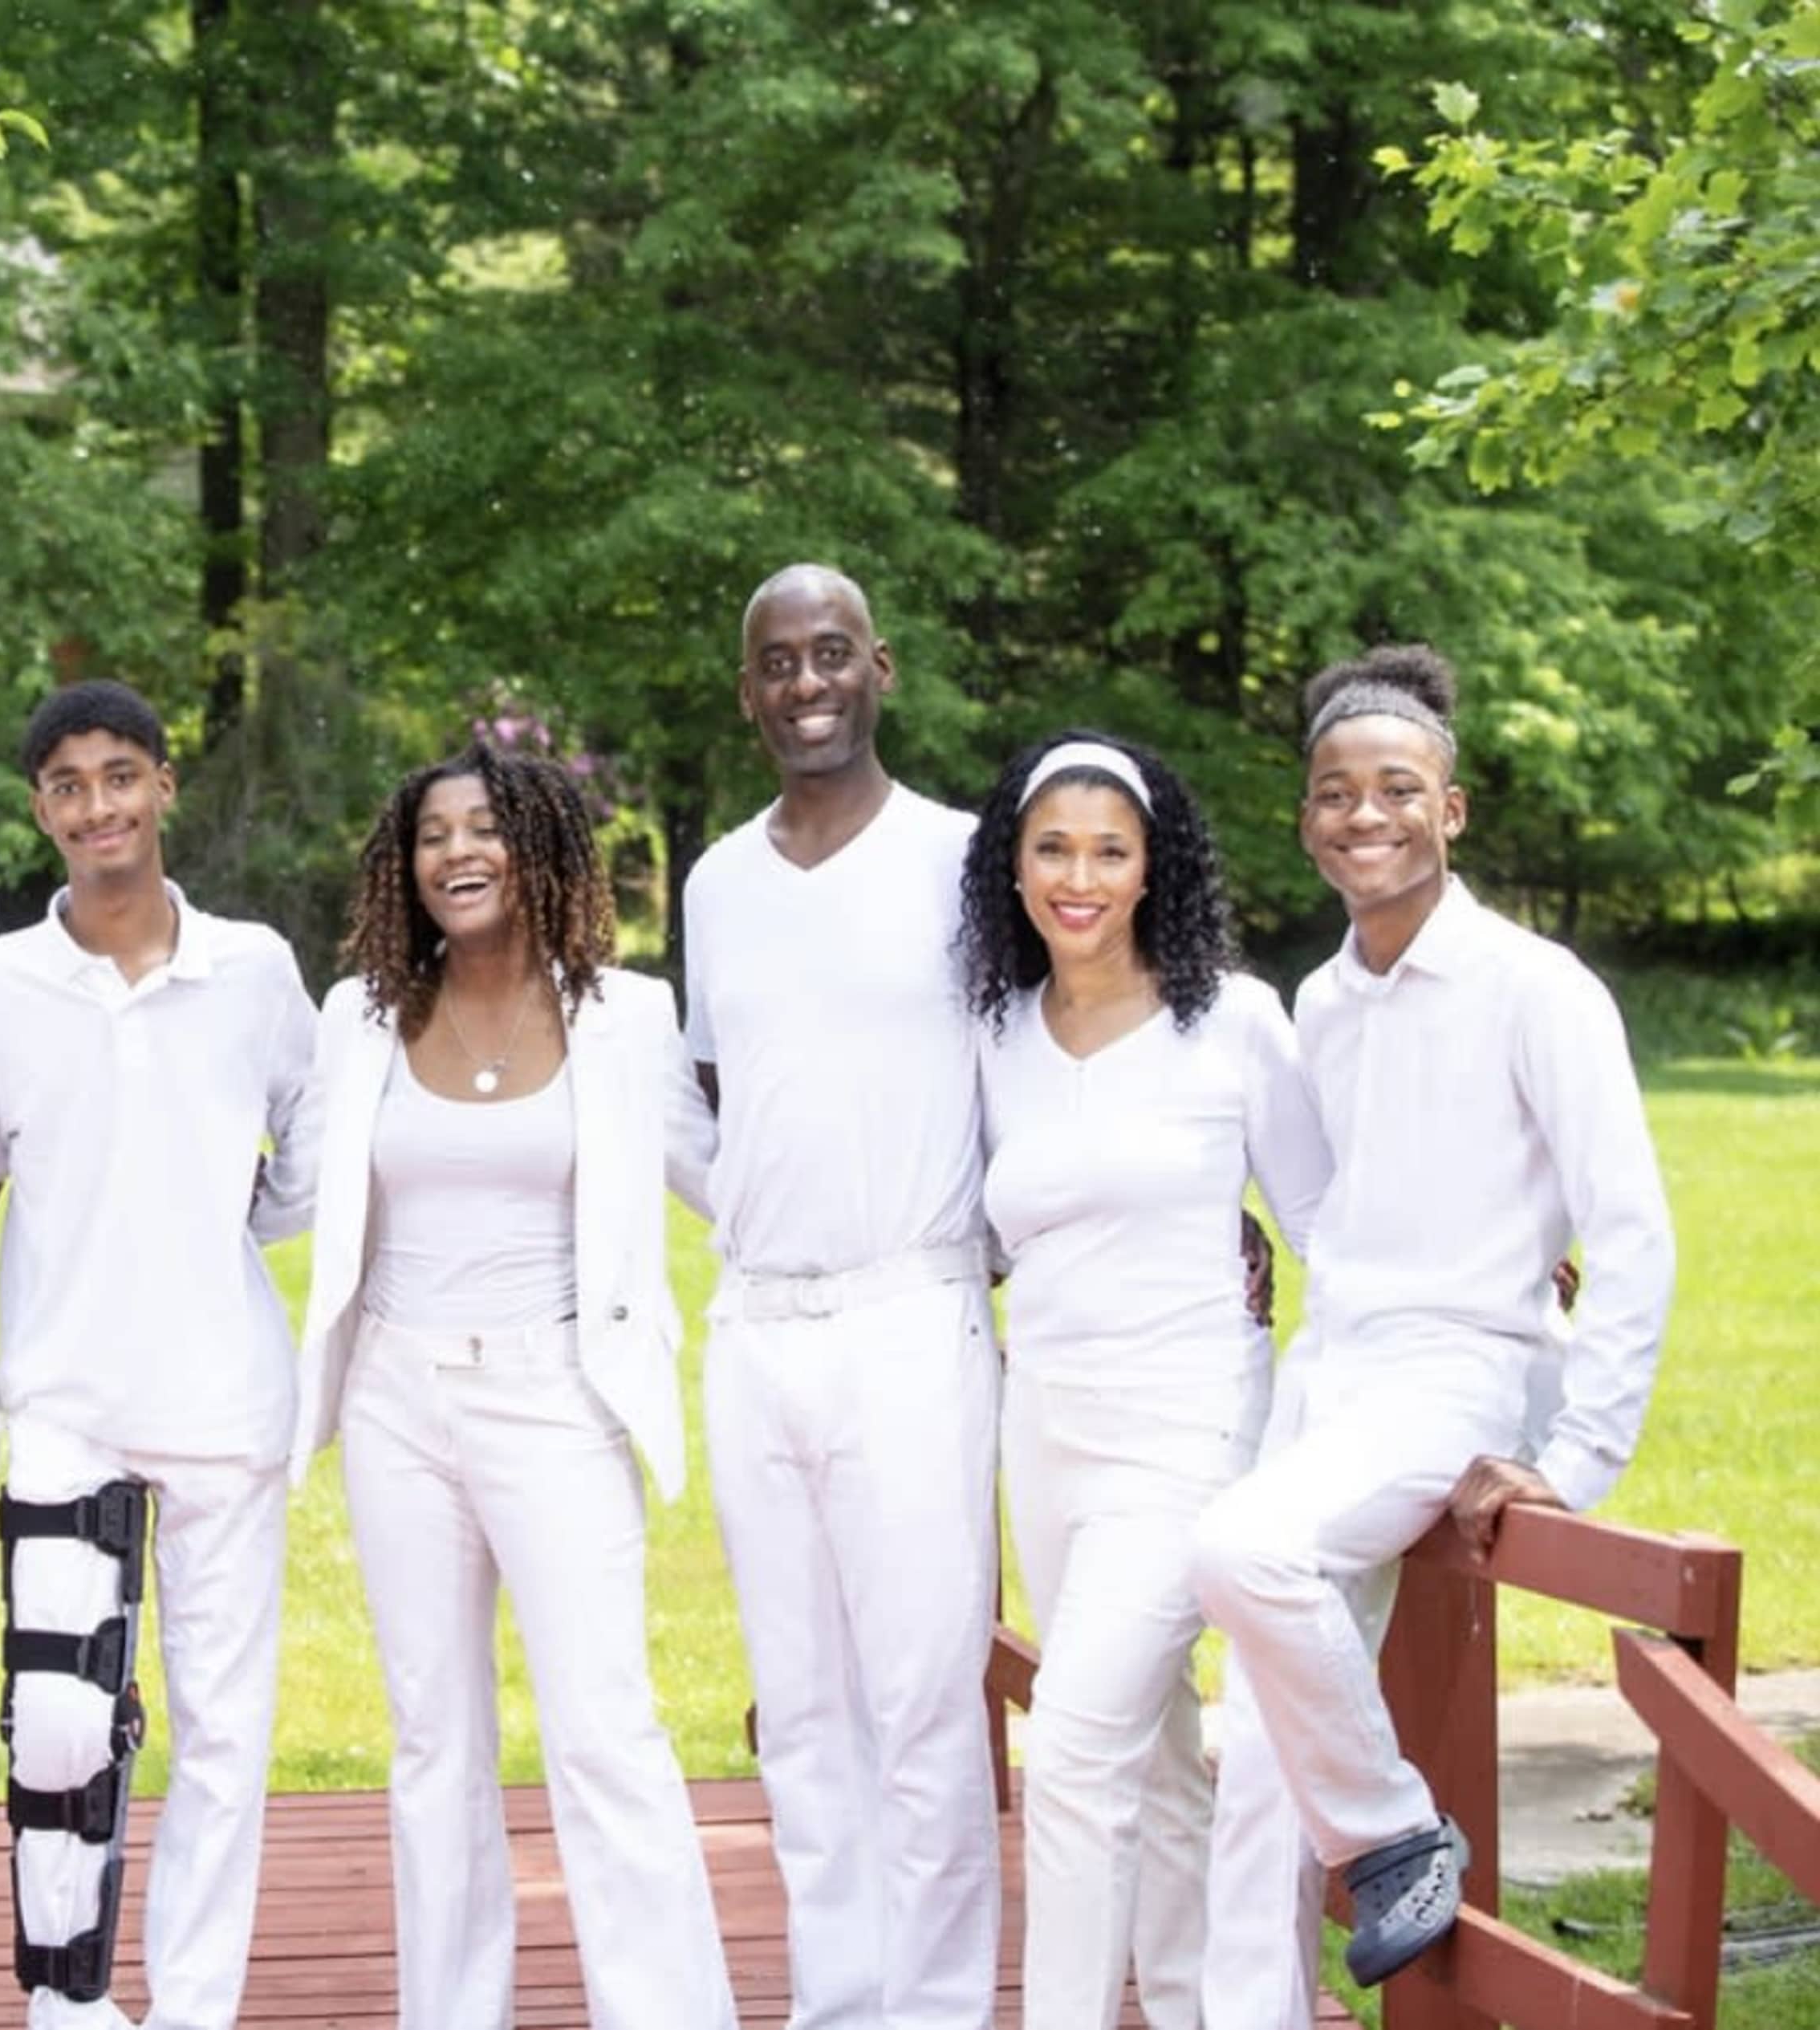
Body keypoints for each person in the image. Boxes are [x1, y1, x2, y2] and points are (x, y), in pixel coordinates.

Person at [1191, 645, 1676, 2008]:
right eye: (1336, 792)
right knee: (1258, 1761)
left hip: (1459, 1376)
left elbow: (1632, 1227)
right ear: (1305, 820)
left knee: (1241, 1547)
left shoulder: (1538, 986)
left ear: (1450, 809)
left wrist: (1576, 1458)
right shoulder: (1322, 1002)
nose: (1367, 813)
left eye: (1399, 788)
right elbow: (1345, 1201)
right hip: (1332, 1374)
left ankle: (1397, 1829)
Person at [293, 741, 738, 2030]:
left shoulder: (626, 1016)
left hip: (557, 1394)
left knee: (603, 1729)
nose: (458, 853)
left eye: (484, 827)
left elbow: (730, 1183)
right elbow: (293, 1182)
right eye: (433, 835)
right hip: (397, 1397)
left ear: (538, 844)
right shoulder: (359, 1015)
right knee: (433, 1739)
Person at [957, 732, 1330, 2030]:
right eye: (1052, 849)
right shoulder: (995, 1034)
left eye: (1109, 851)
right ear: (1011, 866)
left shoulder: (1234, 1021)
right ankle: (1195, 2007)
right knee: (1156, 1747)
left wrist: (1496, 1269)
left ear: (1152, 866)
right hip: (1050, 1426)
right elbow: (986, 1227)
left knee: (1070, 1746)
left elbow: (1328, 1224)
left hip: (1190, 1422)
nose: (1080, 878)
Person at [0, 679, 318, 2030]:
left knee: (223, 1726)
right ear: (40, 809)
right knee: (61, 1720)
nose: (97, 804)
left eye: (121, 775)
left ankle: (194, 2006)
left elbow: (310, 1141)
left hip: (225, 1395)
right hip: (64, 1394)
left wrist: (231, 1212)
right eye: (68, 784)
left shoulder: (253, 967)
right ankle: (68, 2003)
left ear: (164, 785)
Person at [683, 563, 999, 2030]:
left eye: (830, 653)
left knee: (925, 1706)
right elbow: (718, 1089)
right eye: (777, 662)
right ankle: (841, 2002)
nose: (805, 683)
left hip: (910, 1312)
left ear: (882, 666)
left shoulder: (963, 858)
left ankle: (934, 2010)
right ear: (747, 691)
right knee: (804, 1712)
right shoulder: (716, 882)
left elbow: (1041, 1055)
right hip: (757, 1325)